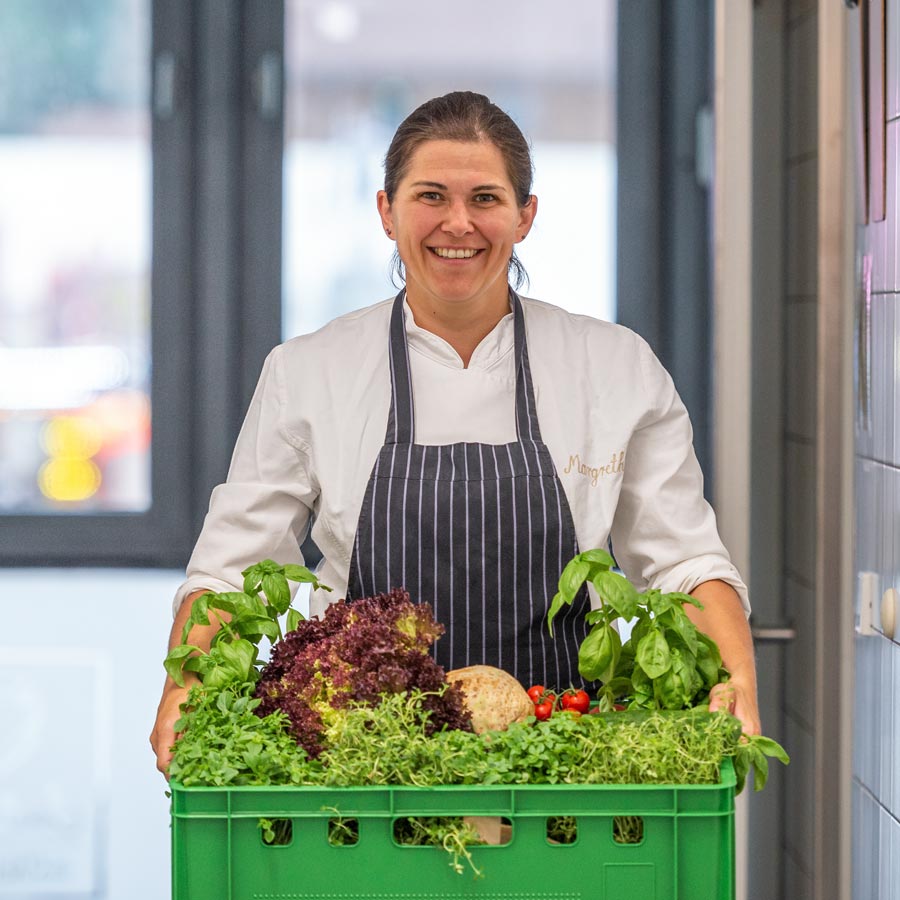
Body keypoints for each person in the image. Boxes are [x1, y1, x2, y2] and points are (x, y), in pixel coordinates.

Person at [151, 91, 760, 774]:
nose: (459, 223)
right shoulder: (310, 371)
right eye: (431, 196)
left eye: (487, 199)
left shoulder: (613, 367)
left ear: (526, 216)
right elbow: (231, 571)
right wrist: (185, 688)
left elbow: (684, 563)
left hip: (560, 766)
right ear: (387, 211)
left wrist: (736, 680)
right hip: (359, 775)